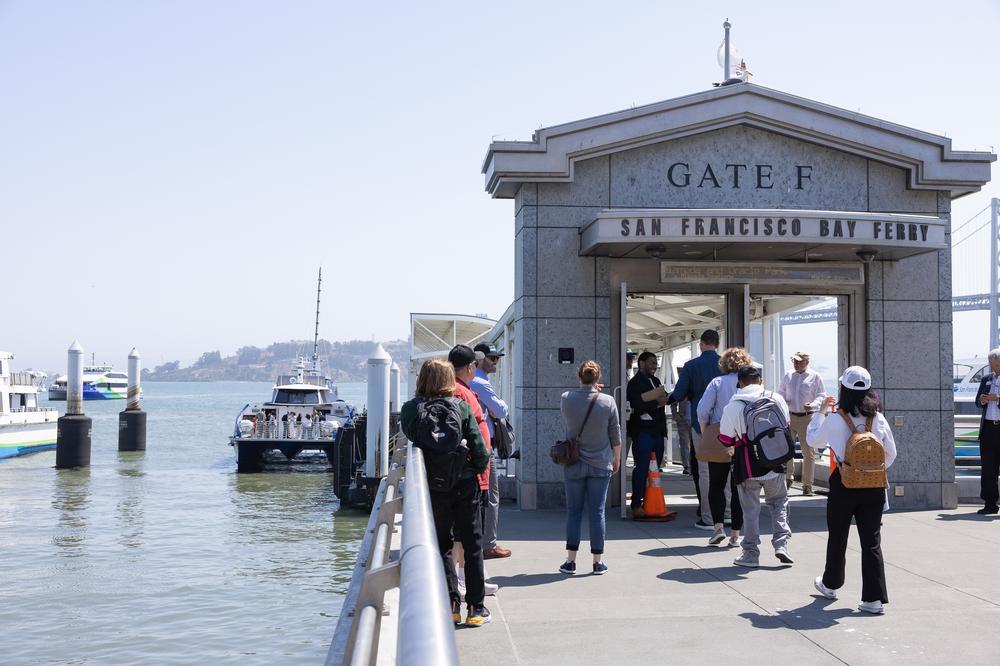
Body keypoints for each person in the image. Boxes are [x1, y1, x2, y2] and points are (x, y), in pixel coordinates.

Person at [400, 359, 491, 627]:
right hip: (464, 485)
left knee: (442, 545)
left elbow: (413, 437)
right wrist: (467, 470)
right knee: (473, 546)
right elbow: (481, 453)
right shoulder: (461, 407)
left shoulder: (410, 410)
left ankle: (451, 603)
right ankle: (476, 608)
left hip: (432, 486)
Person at [808, 365, 897, 615]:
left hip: (843, 484)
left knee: (838, 536)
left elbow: (813, 440)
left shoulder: (836, 418)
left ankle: (831, 584)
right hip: (874, 486)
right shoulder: (878, 419)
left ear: (843, 390)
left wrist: (820, 413)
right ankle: (874, 600)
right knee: (871, 542)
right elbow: (891, 455)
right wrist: (869, 471)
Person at [718, 365, 793, 567]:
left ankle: (751, 553)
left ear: (740, 383)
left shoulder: (733, 406)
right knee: (779, 503)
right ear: (760, 380)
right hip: (775, 461)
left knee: (750, 510)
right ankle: (781, 545)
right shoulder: (776, 398)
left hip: (747, 466)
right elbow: (786, 426)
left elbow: (725, 438)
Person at [559, 360, 622, 575]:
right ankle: (597, 561)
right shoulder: (608, 401)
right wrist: (617, 458)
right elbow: (615, 434)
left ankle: (570, 561)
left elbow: (569, 422)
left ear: (579, 377)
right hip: (600, 463)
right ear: (598, 379)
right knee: (597, 512)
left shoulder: (566, 398)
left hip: (574, 462)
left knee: (573, 512)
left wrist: (589, 391)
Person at [448, 345, 499, 602]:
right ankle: (465, 581)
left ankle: (468, 577)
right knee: (467, 531)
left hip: (469, 471)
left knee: (466, 532)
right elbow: (473, 433)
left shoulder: (460, 390)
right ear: (470, 367)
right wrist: (481, 464)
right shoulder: (463, 393)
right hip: (472, 474)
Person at [667, 330, 722, 530]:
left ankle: (707, 516)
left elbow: (679, 393)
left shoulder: (691, 366)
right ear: (717, 343)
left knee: (705, 471)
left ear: (701, 344)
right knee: (727, 469)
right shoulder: (726, 365)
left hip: (702, 424)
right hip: (727, 425)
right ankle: (727, 513)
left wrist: (667, 399)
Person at [697, 347, 751, 547]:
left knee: (716, 485)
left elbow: (702, 410)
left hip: (720, 435)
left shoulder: (717, 382)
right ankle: (736, 534)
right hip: (743, 437)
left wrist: (706, 430)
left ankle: (718, 528)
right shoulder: (749, 383)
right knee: (739, 487)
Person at [470, 342, 512, 559]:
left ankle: (480, 542)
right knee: (492, 495)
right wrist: (500, 407)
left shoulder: (472, 381)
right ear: (479, 358)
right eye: (493, 358)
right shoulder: (480, 383)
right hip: (484, 446)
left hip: (473, 445)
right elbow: (500, 410)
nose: (496, 362)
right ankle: (489, 544)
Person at [626, 351, 668, 518]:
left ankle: (649, 503)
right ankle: (636, 503)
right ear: (642, 364)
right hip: (643, 430)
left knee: (654, 470)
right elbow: (636, 405)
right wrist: (655, 403)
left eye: (655, 363)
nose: (654, 366)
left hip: (657, 430)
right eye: (651, 363)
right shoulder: (634, 383)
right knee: (642, 468)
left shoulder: (656, 381)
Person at [778, 352, 827, 495]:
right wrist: (783, 401)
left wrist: (813, 404)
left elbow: (822, 395)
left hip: (807, 418)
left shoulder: (815, 376)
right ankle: (788, 478)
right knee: (787, 450)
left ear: (807, 362)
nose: (796, 364)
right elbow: (780, 392)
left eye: (799, 361)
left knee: (808, 453)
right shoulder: (788, 375)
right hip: (790, 416)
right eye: (794, 361)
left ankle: (807, 485)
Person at [973, 349, 1000, 515]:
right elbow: (977, 401)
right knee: (988, 469)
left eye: (998, 365)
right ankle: (990, 504)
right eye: (993, 365)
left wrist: (997, 398)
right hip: (989, 429)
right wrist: (983, 400)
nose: (995, 369)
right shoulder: (986, 379)